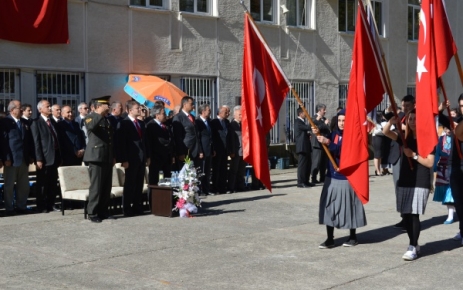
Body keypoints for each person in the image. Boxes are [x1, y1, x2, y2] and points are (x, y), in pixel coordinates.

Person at [383, 109, 434, 260]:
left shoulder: (428, 139)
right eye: (410, 118)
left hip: (420, 179)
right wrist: (391, 122)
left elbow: (430, 162)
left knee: (414, 214)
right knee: (406, 214)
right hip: (405, 179)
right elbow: (387, 133)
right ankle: (415, 244)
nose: (412, 121)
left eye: (415, 119)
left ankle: (412, 245)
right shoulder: (405, 138)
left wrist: (414, 155)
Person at [317, 109, 367, 248]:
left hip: (346, 177)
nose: (341, 123)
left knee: (349, 206)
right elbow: (328, 150)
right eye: (339, 120)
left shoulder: (353, 136)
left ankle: (352, 236)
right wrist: (320, 139)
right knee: (328, 206)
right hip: (331, 176)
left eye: (344, 120)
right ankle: (330, 238)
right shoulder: (333, 135)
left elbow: (345, 151)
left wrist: (328, 143)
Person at [83, 96, 115, 223]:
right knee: (96, 186)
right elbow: (91, 126)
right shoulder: (91, 117)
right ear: (96, 107)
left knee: (106, 186)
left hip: (106, 156)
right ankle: (92, 212)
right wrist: (99, 114)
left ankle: (103, 211)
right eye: (104, 105)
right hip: (96, 156)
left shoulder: (106, 119)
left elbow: (110, 139)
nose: (107, 106)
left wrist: (112, 156)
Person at [1, 100, 34, 215]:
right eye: (19, 108)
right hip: (12, 159)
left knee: (23, 185)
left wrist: (30, 156)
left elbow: (29, 141)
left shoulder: (25, 123)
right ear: (11, 110)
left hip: (24, 159)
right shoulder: (5, 122)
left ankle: (21, 206)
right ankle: (9, 208)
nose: (21, 110)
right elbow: (4, 142)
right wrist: (6, 158)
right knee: (9, 185)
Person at [116, 100, 147, 216]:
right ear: (129, 110)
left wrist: (147, 156)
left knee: (139, 183)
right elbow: (121, 143)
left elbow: (144, 142)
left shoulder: (141, 123)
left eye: (139, 108)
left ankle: (137, 206)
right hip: (130, 159)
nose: (139, 110)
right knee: (130, 184)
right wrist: (124, 159)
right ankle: (127, 208)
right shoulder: (124, 123)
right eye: (137, 108)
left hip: (141, 158)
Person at [31, 100, 62, 213]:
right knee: (43, 183)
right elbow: (36, 142)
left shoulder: (52, 122)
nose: (50, 108)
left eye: (50, 106)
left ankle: (51, 204)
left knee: (52, 183)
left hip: (55, 157)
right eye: (47, 106)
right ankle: (41, 205)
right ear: (40, 109)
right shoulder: (36, 122)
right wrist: (38, 158)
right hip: (44, 158)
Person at [145, 104, 173, 186]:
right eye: (163, 113)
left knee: (166, 182)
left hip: (166, 159)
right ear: (157, 115)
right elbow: (149, 143)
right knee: (154, 182)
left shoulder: (166, 125)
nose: (165, 115)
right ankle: (152, 199)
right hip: (156, 159)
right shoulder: (151, 126)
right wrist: (149, 157)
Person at [432, 126, 456, 224]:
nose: (448, 130)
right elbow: (437, 153)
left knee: (454, 190)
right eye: (446, 128)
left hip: (455, 167)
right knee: (447, 192)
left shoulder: (458, 138)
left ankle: (455, 211)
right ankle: (450, 215)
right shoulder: (441, 139)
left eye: (450, 128)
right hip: (442, 168)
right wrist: (434, 165)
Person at [172, 96, 203, 169]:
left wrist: (199, 150)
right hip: (186, 150)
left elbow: (196, 134)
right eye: (191, 104)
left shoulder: (192, 117)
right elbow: (178, 137)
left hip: (195, 151)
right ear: (185, 104)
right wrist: (181, 153)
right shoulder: (178, 117)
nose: (193, 106)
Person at [195, 103, 215, 195]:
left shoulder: (209, 122)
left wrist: (213, 149)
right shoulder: (197, 122)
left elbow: (211, 137)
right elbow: (198, 138)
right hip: (202, 150)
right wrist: (200, 151)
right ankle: (199, 190)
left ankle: (206, 189)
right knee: (201, 172)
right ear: (203, 111)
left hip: (209, 150)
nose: (210, 111)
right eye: (208, 110)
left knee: (207, 171)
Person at [210, 105, 231, 194]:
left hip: (225, 150)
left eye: (228, 112)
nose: (228, 114)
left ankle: (223, 187)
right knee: (216, 169)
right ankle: (215, 187)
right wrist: (213, 148)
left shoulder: (227, 122)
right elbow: (213, 137)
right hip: (217, 150)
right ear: (220, 112)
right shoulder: (214, 122)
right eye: (226, 112)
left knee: (223, 169)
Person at [294, 108, 314, 188]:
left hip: (306, 146)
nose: (306, 114)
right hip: (302, 147)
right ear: (300, 113)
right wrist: (314, 121)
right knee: (302, 165)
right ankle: (300, 182)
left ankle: (306, 180)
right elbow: (307, 127)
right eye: (305, 112)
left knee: (308, 164)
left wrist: (308, 135)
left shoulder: (302, 122)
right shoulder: (298, 122)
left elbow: (304, 131)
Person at [228, 105, 246, 193]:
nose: (241, 116)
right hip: (236, 151)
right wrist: (232, 151)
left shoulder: (243, 124)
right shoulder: (232, 125)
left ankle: (241, 186)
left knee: (241, 170)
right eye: (240, 115)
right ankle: (232, 187)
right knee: (234, 170)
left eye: (242, 114)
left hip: (243, 151)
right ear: (234, 115)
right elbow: (231, 140)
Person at [311, 104, 330, 184]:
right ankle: (313, 178)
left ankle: (322, 177)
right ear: (319, 110)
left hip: (324, 143)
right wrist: (325, 124)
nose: (325, 111)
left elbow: (327, 130)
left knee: (324, 162)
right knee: (316, 162)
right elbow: (316, 127)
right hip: (317, 144)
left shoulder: (324, 119)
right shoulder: (314, 118)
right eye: (324, 110)